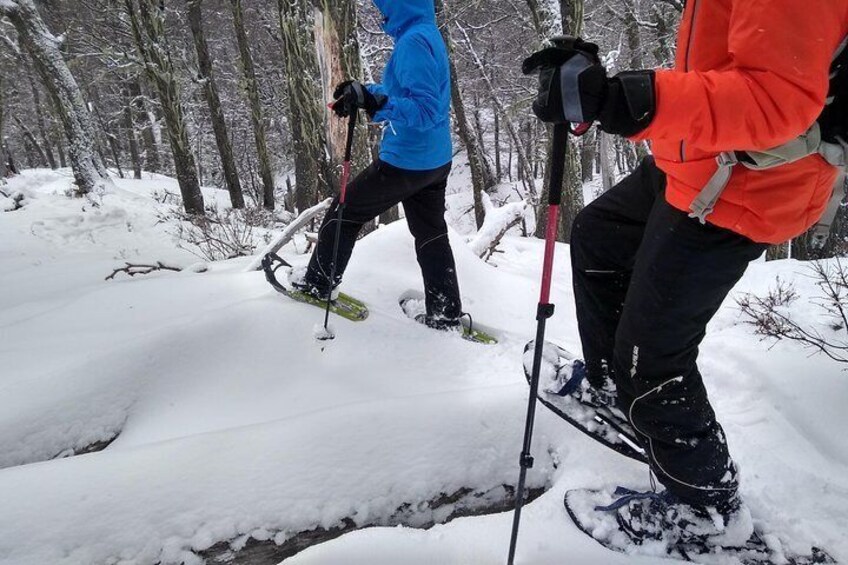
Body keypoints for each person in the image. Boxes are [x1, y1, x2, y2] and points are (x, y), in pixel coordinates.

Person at [526, 0, 848, 547]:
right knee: (600, 236)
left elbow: (777, 99)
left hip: (746, 186)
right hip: (700, 160)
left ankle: (707, 509)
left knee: (652, 358)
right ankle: (620, 395)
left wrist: (628, 97)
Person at [290, 0, 463, 330]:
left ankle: (318, 284)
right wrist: (366, 93)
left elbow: (426, 110)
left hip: (408, 160)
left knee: (346, 210)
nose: (381, 13)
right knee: (431, 233)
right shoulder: (423, 32)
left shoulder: (413, 41)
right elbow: (411, 93)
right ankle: (445, 312)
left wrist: (376, 102)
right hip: (434, 160)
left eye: (384, 6)